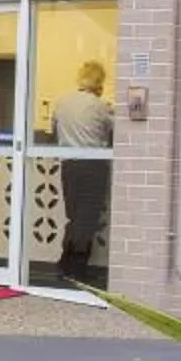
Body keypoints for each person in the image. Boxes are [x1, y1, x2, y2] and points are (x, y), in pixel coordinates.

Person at [52, 57, 114, 286]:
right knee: (86, 220)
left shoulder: (63, 102)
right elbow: (117, 129)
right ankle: (76, 269)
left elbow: (53, 130)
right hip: (93, 166)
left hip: (69, 166)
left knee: (74, 217)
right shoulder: (100, 106)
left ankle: (64, 264)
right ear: (99, 81)